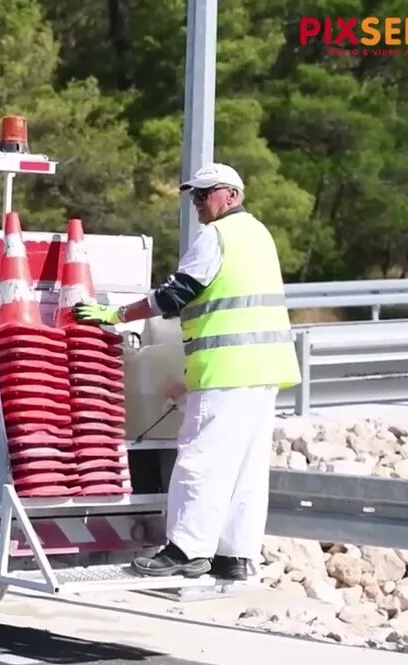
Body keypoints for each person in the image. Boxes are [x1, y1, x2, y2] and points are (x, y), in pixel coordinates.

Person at [72, 163, 302, 581]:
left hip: (226, 370)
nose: (196, 204)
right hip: (265, 370)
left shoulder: (216, 236)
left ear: (230, 195)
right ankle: (235, 555)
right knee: (245, 468)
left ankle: (186, 550)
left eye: (203, 195)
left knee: (200, 460)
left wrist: (116, 314)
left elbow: (176, 294)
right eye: (193, 196)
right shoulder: (259, 234)